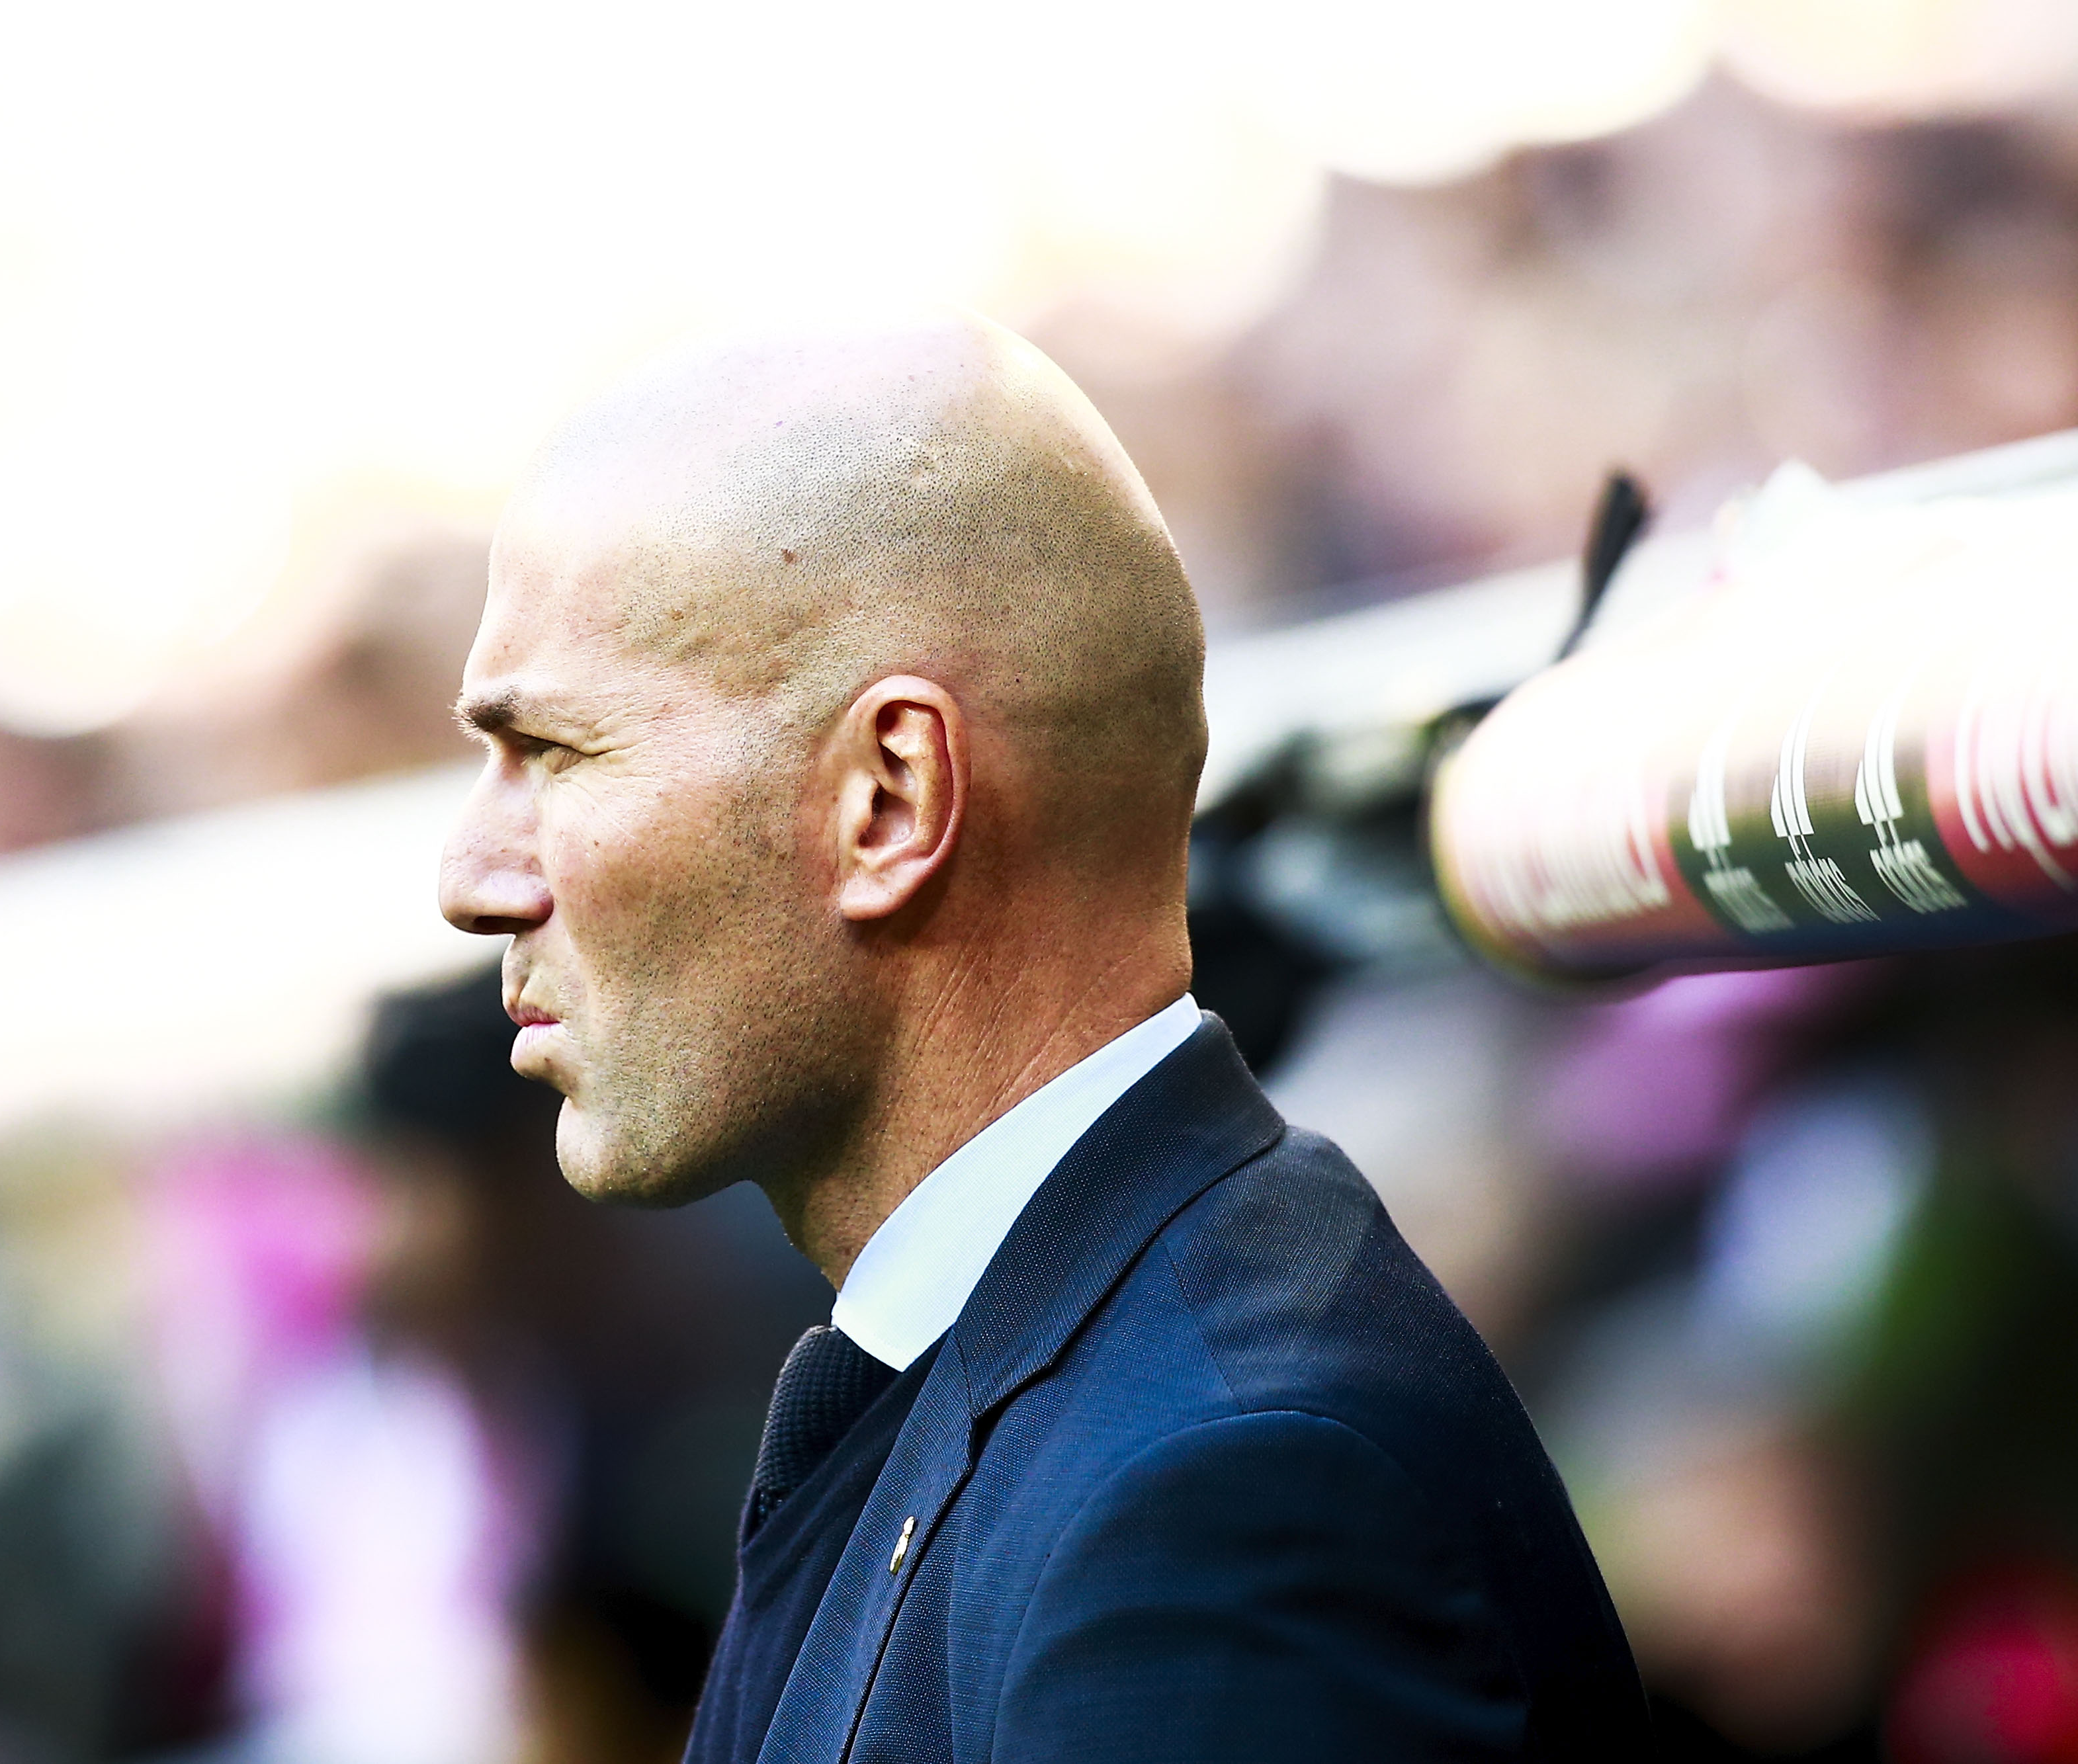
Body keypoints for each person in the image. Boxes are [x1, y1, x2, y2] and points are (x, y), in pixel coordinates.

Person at [438, 312, 1645, 1761]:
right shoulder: (1047, 1380)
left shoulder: (1210, 1501)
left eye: (554, 752)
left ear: (885, 799)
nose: (473, 876)